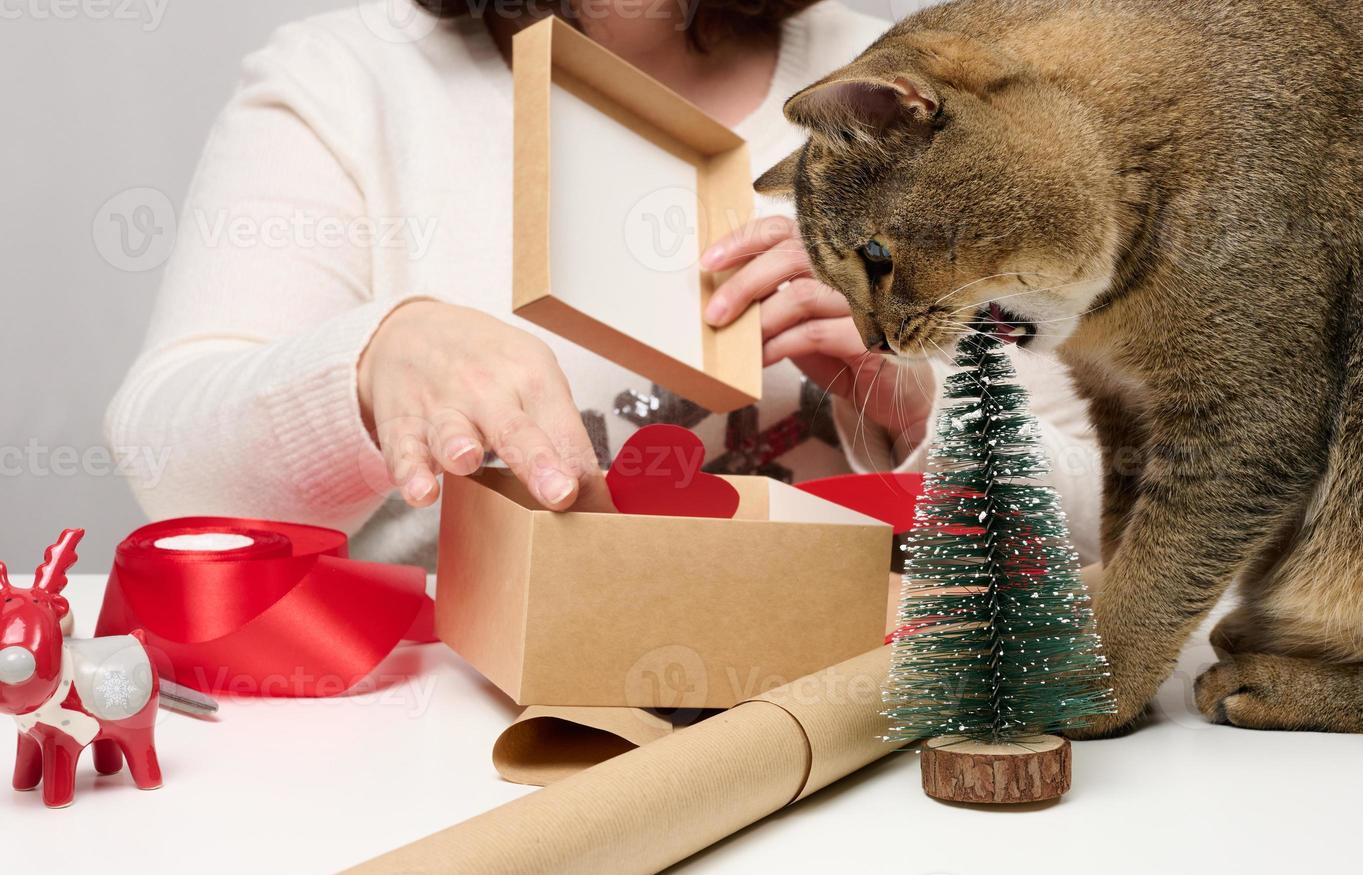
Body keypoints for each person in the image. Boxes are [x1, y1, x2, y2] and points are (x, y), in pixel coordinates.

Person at [106, 0, 1101, 568]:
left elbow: (1117, 507)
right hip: (446, 753)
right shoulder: (350, 81)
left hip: (848, 742)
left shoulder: (914, 92)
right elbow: (171, 464)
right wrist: (373, 360)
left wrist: (918, 388)